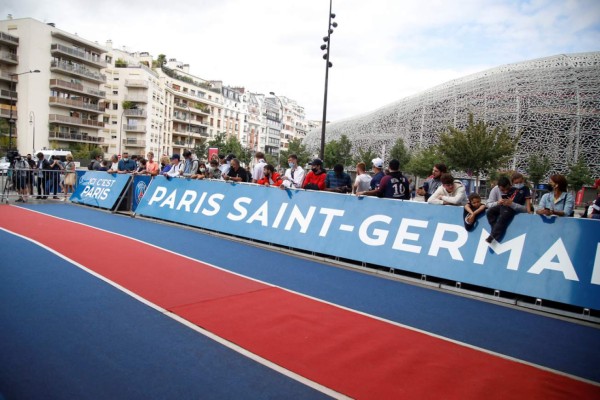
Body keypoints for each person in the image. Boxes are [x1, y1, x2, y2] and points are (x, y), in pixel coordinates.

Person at [486, 175, 530, 243]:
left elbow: (526, 208)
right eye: (502, 190)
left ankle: (493, 235)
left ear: (510, 185)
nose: (505, 191)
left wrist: (511, 204)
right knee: (489, 212)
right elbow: (488, 204)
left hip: (512, 208)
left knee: (503, 216)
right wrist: (499, 202)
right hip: (504, 206)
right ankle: (494, 230)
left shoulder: (525, 190)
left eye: (520, 182)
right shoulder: (503, 189)